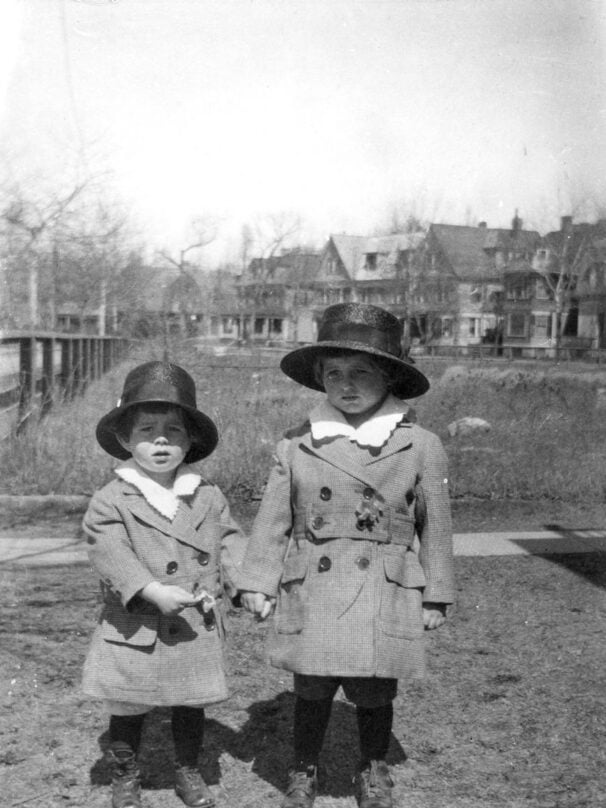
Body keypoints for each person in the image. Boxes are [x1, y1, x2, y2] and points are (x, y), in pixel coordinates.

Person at [239, 303, 454, 808]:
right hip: (314, 583)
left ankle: (373, 769)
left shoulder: (420, 445)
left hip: (384, 584)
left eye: (362, 372)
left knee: (375, 689)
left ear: (390, 378)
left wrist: (437, 594)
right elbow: (273, 521)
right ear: (319, 379)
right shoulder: (295, 444)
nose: (346, 384)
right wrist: (256, 581)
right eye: (334, 373)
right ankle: (303, 768)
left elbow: (438, 527)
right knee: (311, 687)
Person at [82, 361, 246, 808]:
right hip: (134, 623)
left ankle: (188, 770)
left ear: (190, 440)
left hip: (193, 620)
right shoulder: (111, 499)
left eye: (173, 430)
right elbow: (108, 550)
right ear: (124, 440)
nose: (160, 440)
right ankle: (125, 774)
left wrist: (247, 584)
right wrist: (150, 590)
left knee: (191, 703)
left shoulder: (207, 495)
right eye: (147, 429)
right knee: (127, 705)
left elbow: (230, 541)